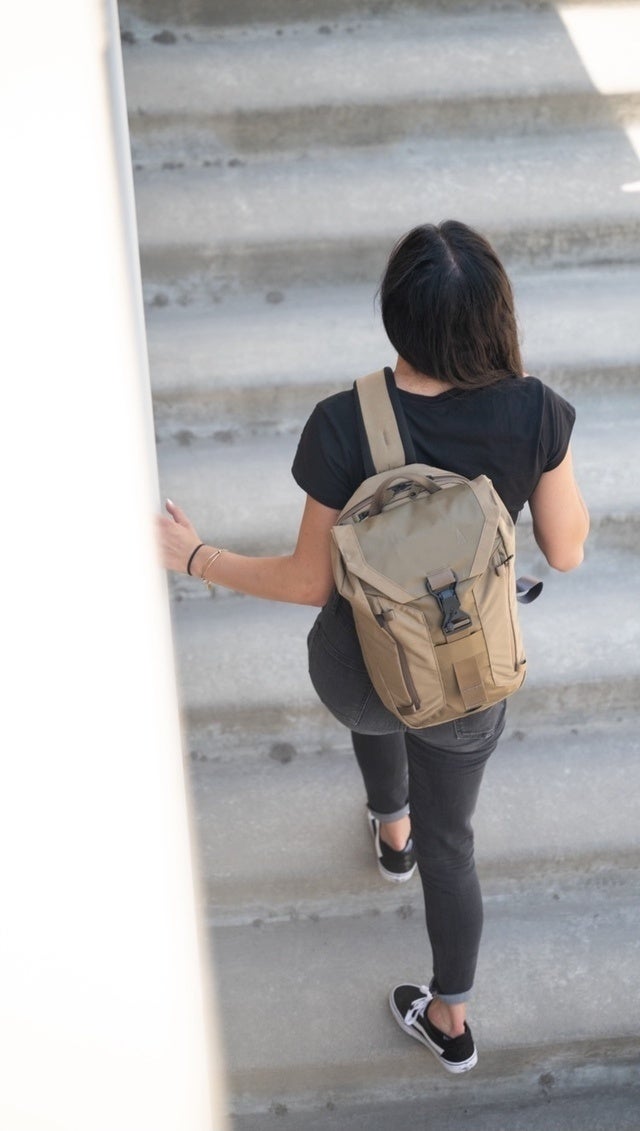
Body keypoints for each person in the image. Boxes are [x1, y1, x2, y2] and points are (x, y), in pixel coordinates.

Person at [158, 220, 589, 1075]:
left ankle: (392, 832)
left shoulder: (343, 422)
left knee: (380, 687)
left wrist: (198, 557)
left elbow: (308, 581)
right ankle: (451, 1018)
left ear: (395, 313)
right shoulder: (535, 409)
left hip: (360, 671)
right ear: (497, 312)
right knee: (453, 843)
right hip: (470, 672)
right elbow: (567, 552)